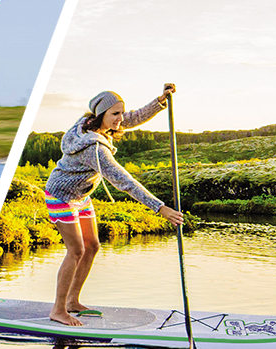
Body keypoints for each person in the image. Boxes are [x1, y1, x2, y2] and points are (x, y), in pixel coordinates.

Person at [44, 83, 184, 326]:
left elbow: (133, 117)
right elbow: (125, 181)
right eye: (115, 114)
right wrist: (160, 208)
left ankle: (72, 301)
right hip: (61, 196)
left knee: (93, 245)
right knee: (76, 250)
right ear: (101, 115)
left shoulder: (92, 122)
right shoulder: (95, 149)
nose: (121, 119)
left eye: (121, 112)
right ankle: (58, 310)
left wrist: (160, 102)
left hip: (81, 195)